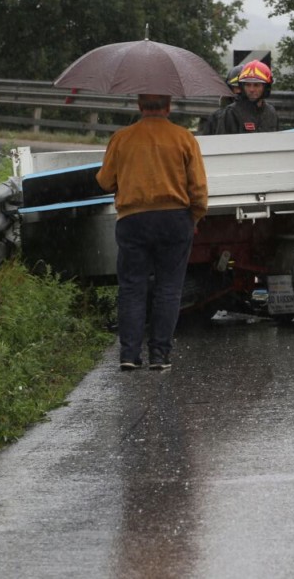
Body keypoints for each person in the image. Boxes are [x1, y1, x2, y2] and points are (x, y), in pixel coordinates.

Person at [96, 93, 209, 370]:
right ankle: (160, 355)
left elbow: (105, 181)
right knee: (169, 288)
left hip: (133, 220)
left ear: (139, 106)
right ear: (168, 107)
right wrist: (193, 216)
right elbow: (198, 189)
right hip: (174, 219)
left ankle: (128, 355)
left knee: (132, 287)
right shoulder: (184, 138)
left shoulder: (122, 138)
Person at [217, 60, 279, 134]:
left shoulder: (271, 112)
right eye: (247, 85)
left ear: (266, 87)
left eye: (256, 85)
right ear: (242, 87)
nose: (251, 89)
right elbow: (223, 143)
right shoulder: (231, 113)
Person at [197, 64, 243, 135]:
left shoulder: (262, 114)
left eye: (242, 88)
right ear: (229, 89)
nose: (239, 92)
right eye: (236, 87)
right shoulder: (214, 117)